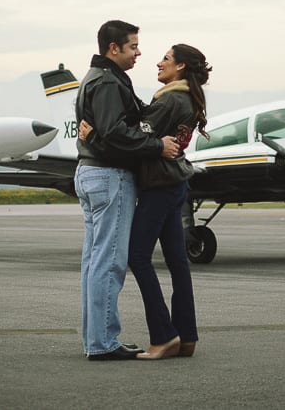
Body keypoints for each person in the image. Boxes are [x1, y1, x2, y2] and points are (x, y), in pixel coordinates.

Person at [81, 43, 211, 361]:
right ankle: (187, 336)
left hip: (159, 186)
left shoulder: (169, 100)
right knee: (177, 261)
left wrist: (94, 138)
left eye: (166, 58)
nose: (158, 62)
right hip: (176, 183)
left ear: (180, 67)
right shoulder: (188, 97)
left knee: (138, 257)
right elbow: (147, 126)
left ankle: (164, 336)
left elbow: (134, 135)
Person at [74, 20, 180, 361]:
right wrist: (156, 146)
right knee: (109, 263)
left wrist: (94, 137)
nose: (139, 52)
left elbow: (107, 130)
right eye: (133, 46)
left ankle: (95, 340)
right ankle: (104, 343)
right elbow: (117, 132)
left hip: (89, 173)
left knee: (94, 262)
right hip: (109, 177)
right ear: (113, 48)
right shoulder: (107, 81)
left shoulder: (96, 78)